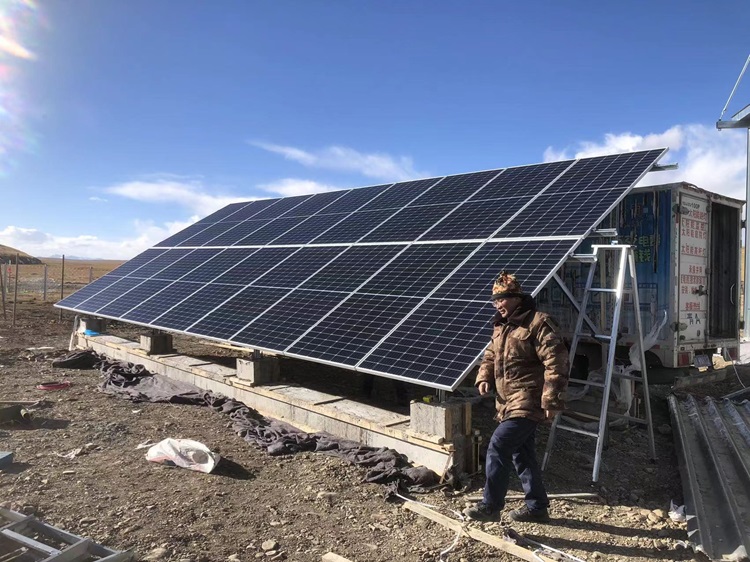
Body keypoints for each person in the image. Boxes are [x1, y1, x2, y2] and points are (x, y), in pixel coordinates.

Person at [464, 270, 569, 523]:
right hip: (506, 402)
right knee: (522, 454)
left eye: (502, 299)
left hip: (528, 400)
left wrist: (551, 399)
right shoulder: (501, 327)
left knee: (498, 446)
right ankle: (537, 508)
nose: (498, 304)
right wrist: (483, 377)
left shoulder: (538, 323)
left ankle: (491, 506)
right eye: (495, 300)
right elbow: (490, 355)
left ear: (517, 298)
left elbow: (556, 362)